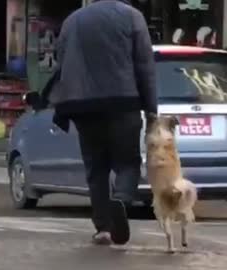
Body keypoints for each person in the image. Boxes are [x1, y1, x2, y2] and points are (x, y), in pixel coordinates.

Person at [47, 0, 158, 245]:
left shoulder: (73, 20)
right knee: (127, 162)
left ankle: (103, 227)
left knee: (95, 168)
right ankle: (121, 198)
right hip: (123, 102)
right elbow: (145, 65)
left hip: (82, 105)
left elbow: (60, 61)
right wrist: (151, 108)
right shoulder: (132, 16)